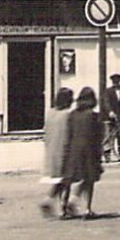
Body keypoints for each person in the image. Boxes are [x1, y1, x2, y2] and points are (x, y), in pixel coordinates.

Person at [60, 86, 104, 218]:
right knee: (89, 179)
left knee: (68, 180)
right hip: (89, 151)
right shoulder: (94, 116)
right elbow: (98, 137)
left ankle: (63, 208)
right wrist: (99, 154)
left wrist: (66, 151)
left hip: (73, 150)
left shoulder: (72, 115)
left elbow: (68, 134)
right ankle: (87, 209)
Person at [40, 87, 74, 218]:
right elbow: (69, 134)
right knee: (67, 181)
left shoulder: (50, 113)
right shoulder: (68, 115)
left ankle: (49, 200)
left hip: (51, 150)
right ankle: (62, 208)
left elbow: (46, 132)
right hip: (65, 150)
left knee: (59, 180)